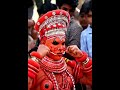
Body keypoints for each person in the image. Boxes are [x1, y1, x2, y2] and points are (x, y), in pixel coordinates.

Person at [28, 10, 92, 90]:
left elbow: (89, 80)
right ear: (43, 44)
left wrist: (83, 58)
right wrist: (36, 58)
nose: (61, 48)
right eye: (55, 43)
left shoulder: (69, 66)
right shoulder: (36, 69)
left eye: (63, 43)